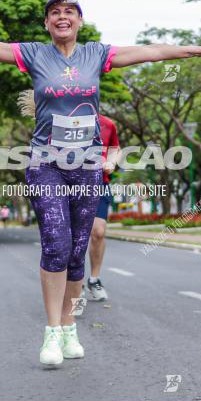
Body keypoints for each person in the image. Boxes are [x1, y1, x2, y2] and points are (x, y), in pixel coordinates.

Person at [0, 0, 201, 367]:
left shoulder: (97, 55)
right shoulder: (34, 54)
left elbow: (151, 51)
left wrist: (195, 50)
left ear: (79, 21)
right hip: (46, 163)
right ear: (47, 23)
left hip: (87, 165)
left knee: (76, 249)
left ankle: (70, 326)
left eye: (69, 11)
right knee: (56, 242)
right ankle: (52, 332)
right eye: (54, 12)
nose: (62, 17)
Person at [84, 114, 121, 302]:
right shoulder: (65, 119)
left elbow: (115, 148)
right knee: (73, 236)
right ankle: (73, 281)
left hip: (99, 184)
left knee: (98, 232)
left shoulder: (107, 124)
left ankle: (94, 279)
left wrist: (112, 162)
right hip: (69, 186)